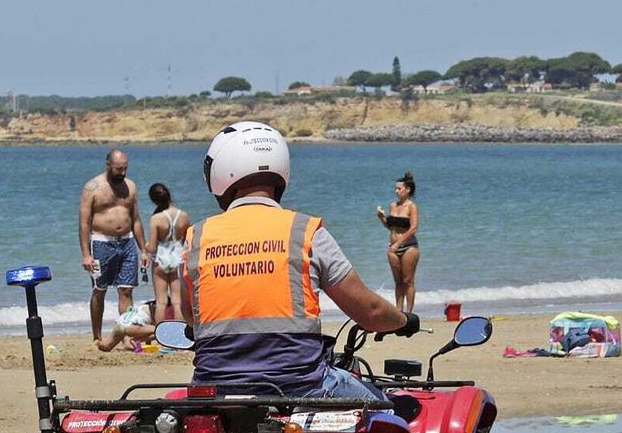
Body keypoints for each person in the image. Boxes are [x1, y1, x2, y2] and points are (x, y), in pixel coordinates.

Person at [180, 122, 422, 400]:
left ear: (219, 173)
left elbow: (191, 316)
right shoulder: (305, 231)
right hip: (301, 387)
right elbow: (371, 311)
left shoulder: (195, 238)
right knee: (389, 412)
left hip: (213, 391)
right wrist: (404, 320)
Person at [78, 149, 146, 341]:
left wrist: (143, 250)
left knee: (126, 290)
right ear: (108, 165)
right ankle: (97, 337)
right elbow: (84, 222)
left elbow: (136, 219)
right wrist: (85, 254)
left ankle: (125, 337)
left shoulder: (130, 186)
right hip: (101, 244)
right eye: (118, 169)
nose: (122, 172)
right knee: (100, 290)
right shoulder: (92, 187)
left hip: (127, 242)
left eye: (125, 168)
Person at [375, 171, 421, 312]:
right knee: (398, 282)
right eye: (395, 189)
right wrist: (382, 218)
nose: (396, 191)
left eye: (399, 189)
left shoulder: (411, 206)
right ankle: (398, 312)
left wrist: (398, 244)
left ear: (407, 190)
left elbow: (413, 228)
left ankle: (409, 313)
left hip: (408, 247)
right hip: (393, 248)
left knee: (408, 281)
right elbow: (391, 227)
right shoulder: (393, 206)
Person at [144, 182, 190, 321]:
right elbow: (188, 239)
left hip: (161, 259)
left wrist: (144, 246)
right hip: (178, 257)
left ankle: (160, 335)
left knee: (161, 301)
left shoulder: (156, 219)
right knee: (177, 301)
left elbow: (152, 247)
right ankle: (179, 335)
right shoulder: (184, 216)